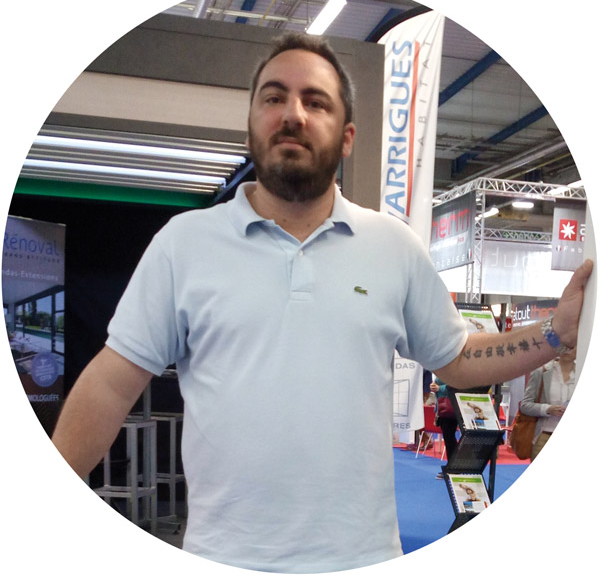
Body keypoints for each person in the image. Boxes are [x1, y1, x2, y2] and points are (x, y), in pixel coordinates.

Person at [51, 32, 593, 573]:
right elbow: (110, 384)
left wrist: (556, 332)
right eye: (274, 97)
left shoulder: (393, 247)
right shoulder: (184, 245)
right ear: (251, 123)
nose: (293, 113)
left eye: (315, 102)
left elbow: (456, 358)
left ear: (347, 136)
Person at [520, 347, 578, 461]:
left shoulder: (581, 374)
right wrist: (547, 409)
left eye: (572, 347)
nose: (567, 350)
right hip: (544, 436)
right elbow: (525, 405)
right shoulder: (541, 372)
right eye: (564, 345)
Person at [430, 376, 458, 477]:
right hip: (444, 408)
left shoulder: (452, 371)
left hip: (450, 408)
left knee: (450, 439)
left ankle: (453, 467)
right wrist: (434, 386)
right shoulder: (442, 371)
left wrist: (439, 388)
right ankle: (452, 466)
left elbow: (456, 386)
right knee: (449, 439)